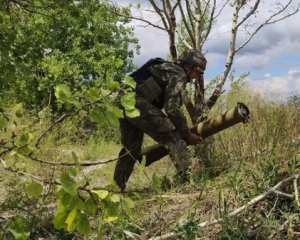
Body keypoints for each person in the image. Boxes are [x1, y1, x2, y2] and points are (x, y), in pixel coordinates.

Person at [113, 49, 207, 191]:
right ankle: (187, 184)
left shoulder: (167, 68)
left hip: (122, 101)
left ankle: (116, 189)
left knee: (131, 149)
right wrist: (187, 134)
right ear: (188, 67)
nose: (195, 77)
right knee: (175, 138)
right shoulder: (179, 73)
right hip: (136, 103)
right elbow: (172, 109)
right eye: (197, 72)